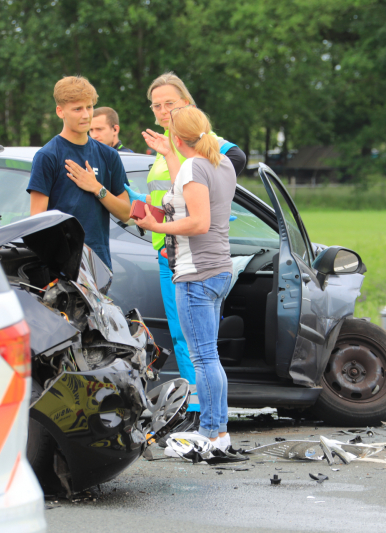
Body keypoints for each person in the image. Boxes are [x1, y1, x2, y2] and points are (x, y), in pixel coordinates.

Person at [141, 72, 246, 430]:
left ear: (187, 104)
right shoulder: (208, 161)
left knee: (199, 352)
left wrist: (157, 225)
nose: (163, 111)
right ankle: (213, 429)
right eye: (157, 105)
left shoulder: (201, 160)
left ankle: (207, 427)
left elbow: (197, 217)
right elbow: (182, 195)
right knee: (205, 352)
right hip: (202, 260)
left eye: (170, 103)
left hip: (192, 262)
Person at [27, 76, 131, 270]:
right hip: (59, 270)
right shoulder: (47, 156)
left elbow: (126, 213)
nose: (86, 115)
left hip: (99, 266)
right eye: (77, 109)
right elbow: (37, 222)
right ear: (60, 111)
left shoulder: (109, 155)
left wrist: (97, 188)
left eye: (89, 107)